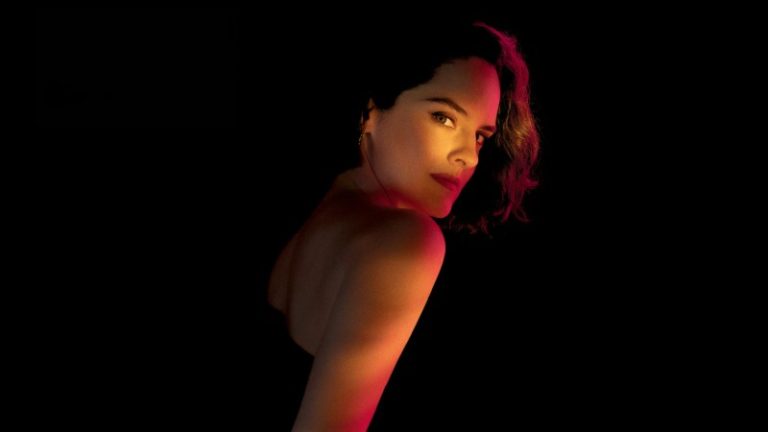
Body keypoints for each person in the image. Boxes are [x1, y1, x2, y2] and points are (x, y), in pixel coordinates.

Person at [265, 18, 539, 431]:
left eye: (480, 136)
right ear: (370, 113)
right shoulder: (408, 241)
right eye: (444, 117)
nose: (468, 156)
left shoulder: (323, 208)